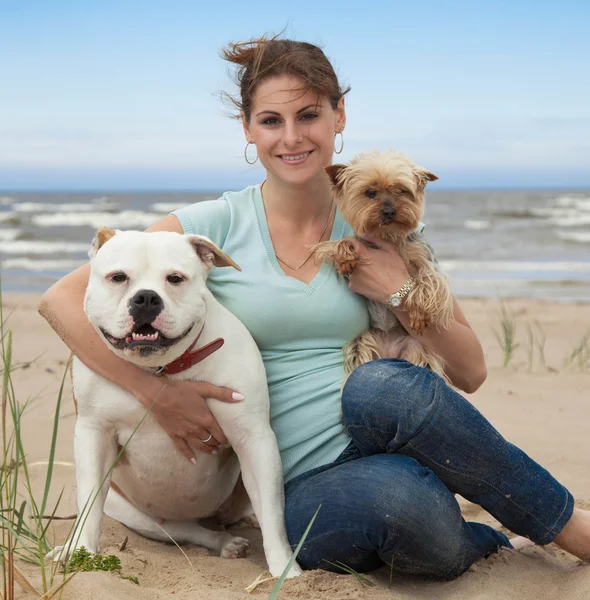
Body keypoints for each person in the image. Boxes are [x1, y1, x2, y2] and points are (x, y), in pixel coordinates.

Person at [39, 36, 590, 580]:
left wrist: (398, 290)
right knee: (403, 502)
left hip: (385, 417)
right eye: (272, 121)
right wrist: (156, 393)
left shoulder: (383, 222)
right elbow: (60, 300)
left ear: (339, 116)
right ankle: (483, 534)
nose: (292, 137)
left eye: (309, 115)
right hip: (302, 482)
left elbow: (471, 371)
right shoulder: (213, 224)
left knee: (381, 386)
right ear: (249, 130)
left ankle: (568, 528)